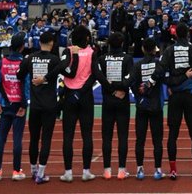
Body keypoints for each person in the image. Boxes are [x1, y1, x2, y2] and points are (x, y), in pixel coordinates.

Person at [160, 22, 192, 179]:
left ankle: (173, 170)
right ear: (187, 34)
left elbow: (162, 73)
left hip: (175, 96)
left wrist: (174, 83)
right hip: (191, 95)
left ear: (175, 35)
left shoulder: (169, 50)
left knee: (173, 133)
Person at [20, 30, 62, 183]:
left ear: (39, 43)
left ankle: (33, 170)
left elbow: (19, 75)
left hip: (35, 106)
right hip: (50, 105)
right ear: (51, 44)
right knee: (46, 139)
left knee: (34, 138)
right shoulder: (55, 60)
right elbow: (68, 71)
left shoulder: (30, 58)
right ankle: (41, 173)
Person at [59, 26, 96, 182]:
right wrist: (82, 91)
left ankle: (68, 172)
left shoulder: (67, 51)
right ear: (86, 38)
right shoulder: (92, 52)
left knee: (68, 135)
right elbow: (94, 75)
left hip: (70, 95)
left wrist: (73, 91)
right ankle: (86, 171)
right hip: (86, 95)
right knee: (87, 135)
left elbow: (64, 70)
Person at [97, 31, 133, 180]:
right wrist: (119, 89)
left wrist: (111, 90)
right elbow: (129, 79)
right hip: (122, 99)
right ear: (123, 43)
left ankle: (106, 170)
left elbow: (100, 78)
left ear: (109, 44)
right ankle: (121, 170)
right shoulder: (128, 58)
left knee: (107, 136)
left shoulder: (102, 58)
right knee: (122, 135)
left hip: (107, 100)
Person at [0, 36, 28, 181]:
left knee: (1, 138)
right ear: (22, 47)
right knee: (17, 138)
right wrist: (24, 105)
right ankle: (16, 170)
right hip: (18, 104)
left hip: (5, 104)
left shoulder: (2, 62)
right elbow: (26, 85)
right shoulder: (24, 62)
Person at [130, 37, 166, 180]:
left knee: (140, 139)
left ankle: (140, 170)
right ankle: (158, 170)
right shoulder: (159, 64)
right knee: (157, 140)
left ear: (143, 49)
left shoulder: (137, 65)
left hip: (141, 105)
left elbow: (132, 83)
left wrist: (139, 96)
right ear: (154, 49)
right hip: (156, 105)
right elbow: (164, 79)